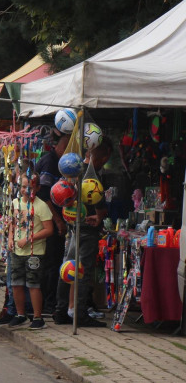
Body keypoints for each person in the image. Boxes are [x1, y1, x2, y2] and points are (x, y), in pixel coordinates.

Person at [55, 136, 112, 327]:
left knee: (67, 268)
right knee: (82, 271)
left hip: (73, 226)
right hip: (86, 229)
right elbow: (99, 204)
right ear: (103, 157)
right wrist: (99, 215)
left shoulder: (73, 168)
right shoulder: (91, 175)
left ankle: (61, 310)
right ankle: (79, 313)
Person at [7, 173, 54, 330]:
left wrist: (29, 239)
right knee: (16, 283)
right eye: (23, 187)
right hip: (17, 251)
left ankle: (37, 317)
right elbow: (13, 223)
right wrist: (10, 238)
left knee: (33, 284)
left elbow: (49, 229)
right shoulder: (15, 203)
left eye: (30, 187)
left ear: (37, 188)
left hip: (34, 252)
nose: (26, 190)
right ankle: (20, 314)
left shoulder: (41, 206)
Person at [35, 129, 70, 315]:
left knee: (54, 262)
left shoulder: (60, 163)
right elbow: (43, 194)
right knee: (50, 263)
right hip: (48, 223)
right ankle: (48, 303)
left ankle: (49, 301)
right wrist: (57, 220)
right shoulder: (50, 162)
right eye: (67, 148)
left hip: (54, 221)